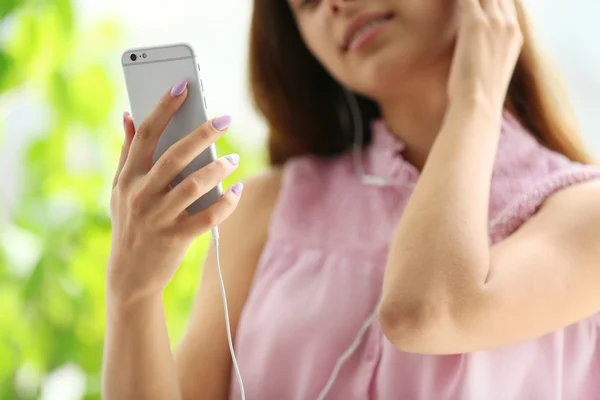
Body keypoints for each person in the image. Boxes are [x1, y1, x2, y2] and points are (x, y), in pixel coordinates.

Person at [102, 0, 600, 399]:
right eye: (307, 4)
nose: (334, 6)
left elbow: (425, 313)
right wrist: (133, 295)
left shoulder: (583, 211)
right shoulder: (262, 209)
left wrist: (477, 95)